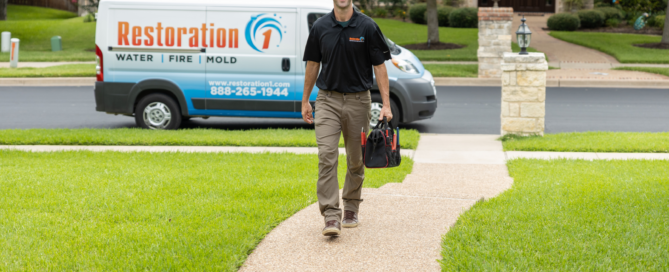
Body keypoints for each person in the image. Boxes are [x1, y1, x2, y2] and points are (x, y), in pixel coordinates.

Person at [301, 0, 393, 236]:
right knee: (327, 156)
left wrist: (386, 104)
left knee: (355, 159)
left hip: (358, 101)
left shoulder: (367, 27)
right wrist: (305, 100)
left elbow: (380, 66)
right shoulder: (320, 27)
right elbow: (313, 64)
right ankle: (331, 215)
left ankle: (351, 206)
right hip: (327, 101)